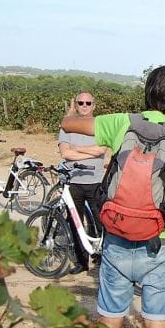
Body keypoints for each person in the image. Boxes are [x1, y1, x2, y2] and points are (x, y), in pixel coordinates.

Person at [60, 65, 165, 328]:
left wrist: (72, 110)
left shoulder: (121, 123)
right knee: (156, 325)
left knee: (108, 322)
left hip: (117, 236)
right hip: (160, 243)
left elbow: (68, 125)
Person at [57, 91, 110, 274]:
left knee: (101, 222)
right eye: (81, 103)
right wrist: (91, 151)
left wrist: (77, 149)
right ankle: (82, 261)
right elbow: (65, 154)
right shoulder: (67, 127)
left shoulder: (100, 126)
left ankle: (102, 256)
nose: (85, 106)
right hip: (74, 182)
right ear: (76, 105)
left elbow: (101, 150)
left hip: (96, 182)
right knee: (75, 223)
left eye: (88, 103)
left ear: (94, 105)